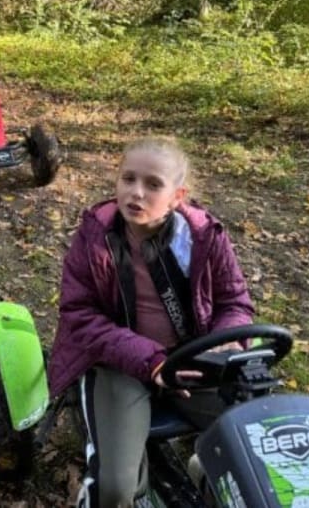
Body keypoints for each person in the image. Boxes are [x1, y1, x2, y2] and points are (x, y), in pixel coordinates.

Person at [47, 136, 255, 508]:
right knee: (115, 491)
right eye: (128, 179)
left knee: (255, 443)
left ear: (178, 196)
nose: (136, 193)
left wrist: (224, 340)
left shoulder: (204, 237)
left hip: (191, 358)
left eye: (153, 184)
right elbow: (80, 316)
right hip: (119, 366)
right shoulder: (96, 237)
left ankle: (204, 468)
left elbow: (233, 301)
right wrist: (151, 361)